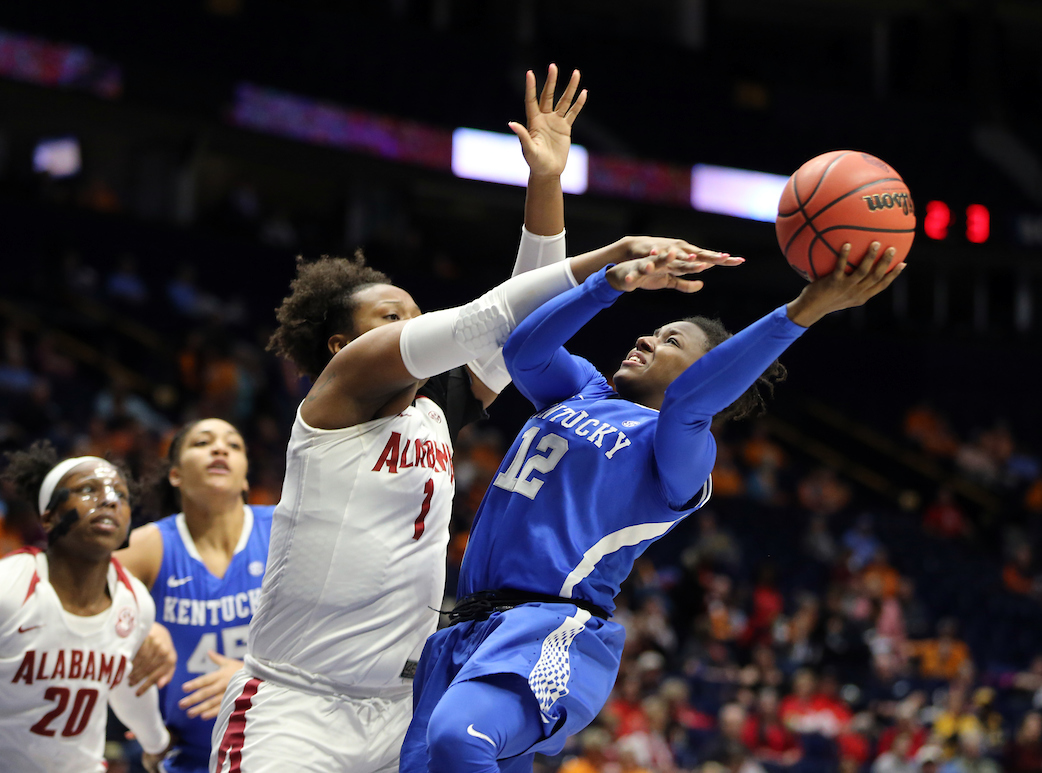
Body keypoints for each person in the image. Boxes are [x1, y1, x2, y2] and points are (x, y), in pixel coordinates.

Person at [209, 65, 725, 773]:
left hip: (401, 707)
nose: (414, 325)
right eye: (392, 318)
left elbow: (519, 320)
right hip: (296, 703)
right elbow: (488, 316)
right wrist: (610, 260)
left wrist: (546, 181)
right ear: (344, 343)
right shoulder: (339, 393)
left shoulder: (433, 413)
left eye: (416, 314)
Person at [398, 241, 903, 772]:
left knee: (459, 738)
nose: (646, 337)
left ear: (705, 373)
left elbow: (689, 403)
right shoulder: (585, 391)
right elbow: (524, 349)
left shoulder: (677, 451)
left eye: (671, 341)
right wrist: (609, 284)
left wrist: (805, 309)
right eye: (656, 332)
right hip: (468, 626)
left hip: (549, 630)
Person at [113, 418, 273, 773]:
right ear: (175, 475)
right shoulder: (151, 545)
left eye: (233, 445)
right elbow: (80, 587)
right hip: (188, 759)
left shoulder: (283, 529)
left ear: (246, 476)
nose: (219, 448)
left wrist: (252, 678)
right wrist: (139, 622)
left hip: (282, 746)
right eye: (202, 443)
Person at [0, 441, 170, 772]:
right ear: (48, 516)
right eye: (88, 490)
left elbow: (127, 684)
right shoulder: (10, 586)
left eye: (121, 495)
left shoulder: (135, 602)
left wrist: (156, 744)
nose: (109, 500)